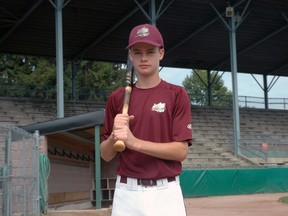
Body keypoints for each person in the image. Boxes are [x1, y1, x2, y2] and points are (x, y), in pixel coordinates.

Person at [100, 23, 192, 216]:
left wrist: (133, 142)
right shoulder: (117, 98)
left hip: (166, 193)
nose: (143, 58)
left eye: (150, 51)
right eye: (137, 52)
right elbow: (106, 154)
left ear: (161, 53)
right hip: (127, 193)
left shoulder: (177, 94)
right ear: (130, 56)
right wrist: (114, 136)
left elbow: (181, 151)